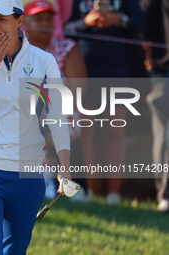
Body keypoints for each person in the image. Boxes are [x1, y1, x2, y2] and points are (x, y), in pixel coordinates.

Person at [0, 0, 71, 254]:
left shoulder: (44, 61)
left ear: (20, 21)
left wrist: (65, 168)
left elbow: (58, 116)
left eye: (2, 19)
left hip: (27, 176)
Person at [65, 0, 145, 205]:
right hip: (84, 70)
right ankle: (88, 190)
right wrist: (87, 22)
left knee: (115, 131)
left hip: (118, 71)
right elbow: (65, 28)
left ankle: (113, 195)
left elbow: (142, 23)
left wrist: (121, 19)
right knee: (85, 131)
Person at [22, 0, 88, 201]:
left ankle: (54, 181)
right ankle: (45, 180)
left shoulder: (67, 48)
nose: (44, 24)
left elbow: (78, 91)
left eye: (49, 20)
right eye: (38, 19)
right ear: (24, 21)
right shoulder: (16, 50)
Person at [142, 0, 169, 212]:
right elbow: (143, 27)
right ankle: (165, 195)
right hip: (162, 71)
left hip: (159, 71)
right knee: (164, 135)